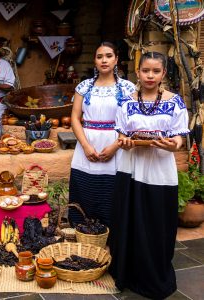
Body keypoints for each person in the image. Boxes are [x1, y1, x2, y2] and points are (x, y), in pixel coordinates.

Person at [109, 51, 189, 299]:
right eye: (146, 71)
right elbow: (121, 135)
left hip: (160, 172)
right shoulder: (126, 101)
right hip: (130, 168)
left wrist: (173, 145)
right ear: (138, 72)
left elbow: (179, 138)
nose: (150, 76)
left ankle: (155, 276)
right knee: (129, 221)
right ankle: (128, 274)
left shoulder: (175, 102)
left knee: (157, 223)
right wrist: (123, 141)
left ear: (163, 73)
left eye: (156, 71)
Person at [68, 42, 136, 227]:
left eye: (108, 56)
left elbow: (132, 121)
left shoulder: (129, 88)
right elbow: (75, 118)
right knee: (85, 188)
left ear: (116, 60)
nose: (104, 60)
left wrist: (115, 146)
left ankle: (111, 236)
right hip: (87, 143)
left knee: (111, 190)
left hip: (117, 144)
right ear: (95, 61)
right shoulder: (84, 87)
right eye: (99, 57)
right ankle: (82, 233)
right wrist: (86, 146)